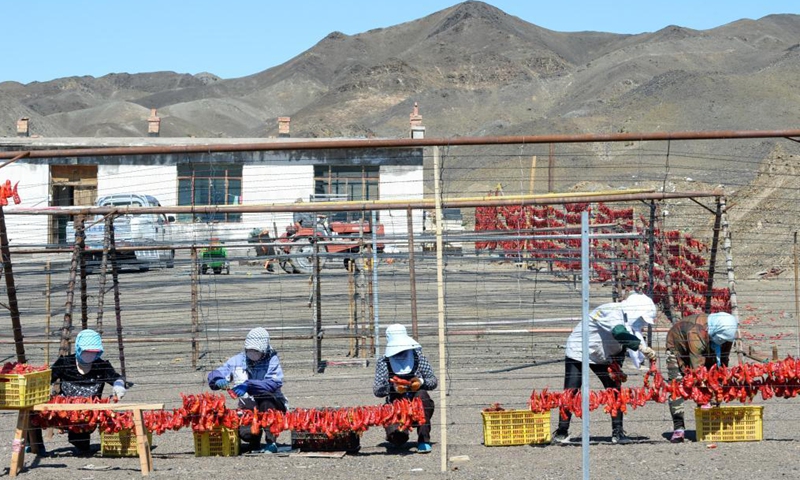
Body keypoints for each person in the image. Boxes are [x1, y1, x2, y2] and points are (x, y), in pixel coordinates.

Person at [551, 293, 658, 445]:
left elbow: (627, 339)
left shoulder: (630, 320)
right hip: (580, 351)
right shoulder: (612, 311)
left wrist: (627, 360)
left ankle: (618, 432)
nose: (641, 322)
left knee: (615, 391)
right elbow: (619, 333)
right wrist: (640, 347)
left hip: (605, 355)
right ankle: (561, 432)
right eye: (641, 318)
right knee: (571, 391)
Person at [31, 329, 127, 454]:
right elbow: (47, 379)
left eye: (93, 352)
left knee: (82, 447)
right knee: (32, 413)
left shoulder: (101, 366)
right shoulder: (65, 363)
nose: (89, 355)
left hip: (87, 416)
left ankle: (80, 443)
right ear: (78, 348)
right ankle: (35, 444)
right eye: (86, 351)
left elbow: (116, 377)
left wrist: (119, 385)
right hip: (63, 411)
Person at [208, 327, 288, 453]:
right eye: (250, 350)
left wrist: (249, 385)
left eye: (256, 350)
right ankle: (254, 441)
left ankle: (271, 441)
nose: (252, 353)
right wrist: (217, 379)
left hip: (273, 406)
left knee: (266, 400)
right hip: (249, 409)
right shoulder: (237, 360)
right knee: (246, 433)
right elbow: (219, 372)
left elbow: (273, 383)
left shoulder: (272, 360)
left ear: (264, 349)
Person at [665, 311, 738, 443]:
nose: (723, 342)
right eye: (721, 339)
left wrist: (720, 380)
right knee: (677, 385)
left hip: (706, 348)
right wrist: (705, 399)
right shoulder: (696, 332)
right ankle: (679, 428)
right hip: (679, 348)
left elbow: (723, 359)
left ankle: (708, 425)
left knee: (715, 380)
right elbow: (697, 370)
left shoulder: (727, 334)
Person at [373, 324, 437, 454]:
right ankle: (398, 434)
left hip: (417, 402)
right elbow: (377, 390)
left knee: (422, 395)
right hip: (396, 403)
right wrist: (393, 388)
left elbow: (433, 381)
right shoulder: (383, 362)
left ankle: (423, 439)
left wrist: (421, 382)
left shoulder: (419, 358)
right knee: (398, 440)